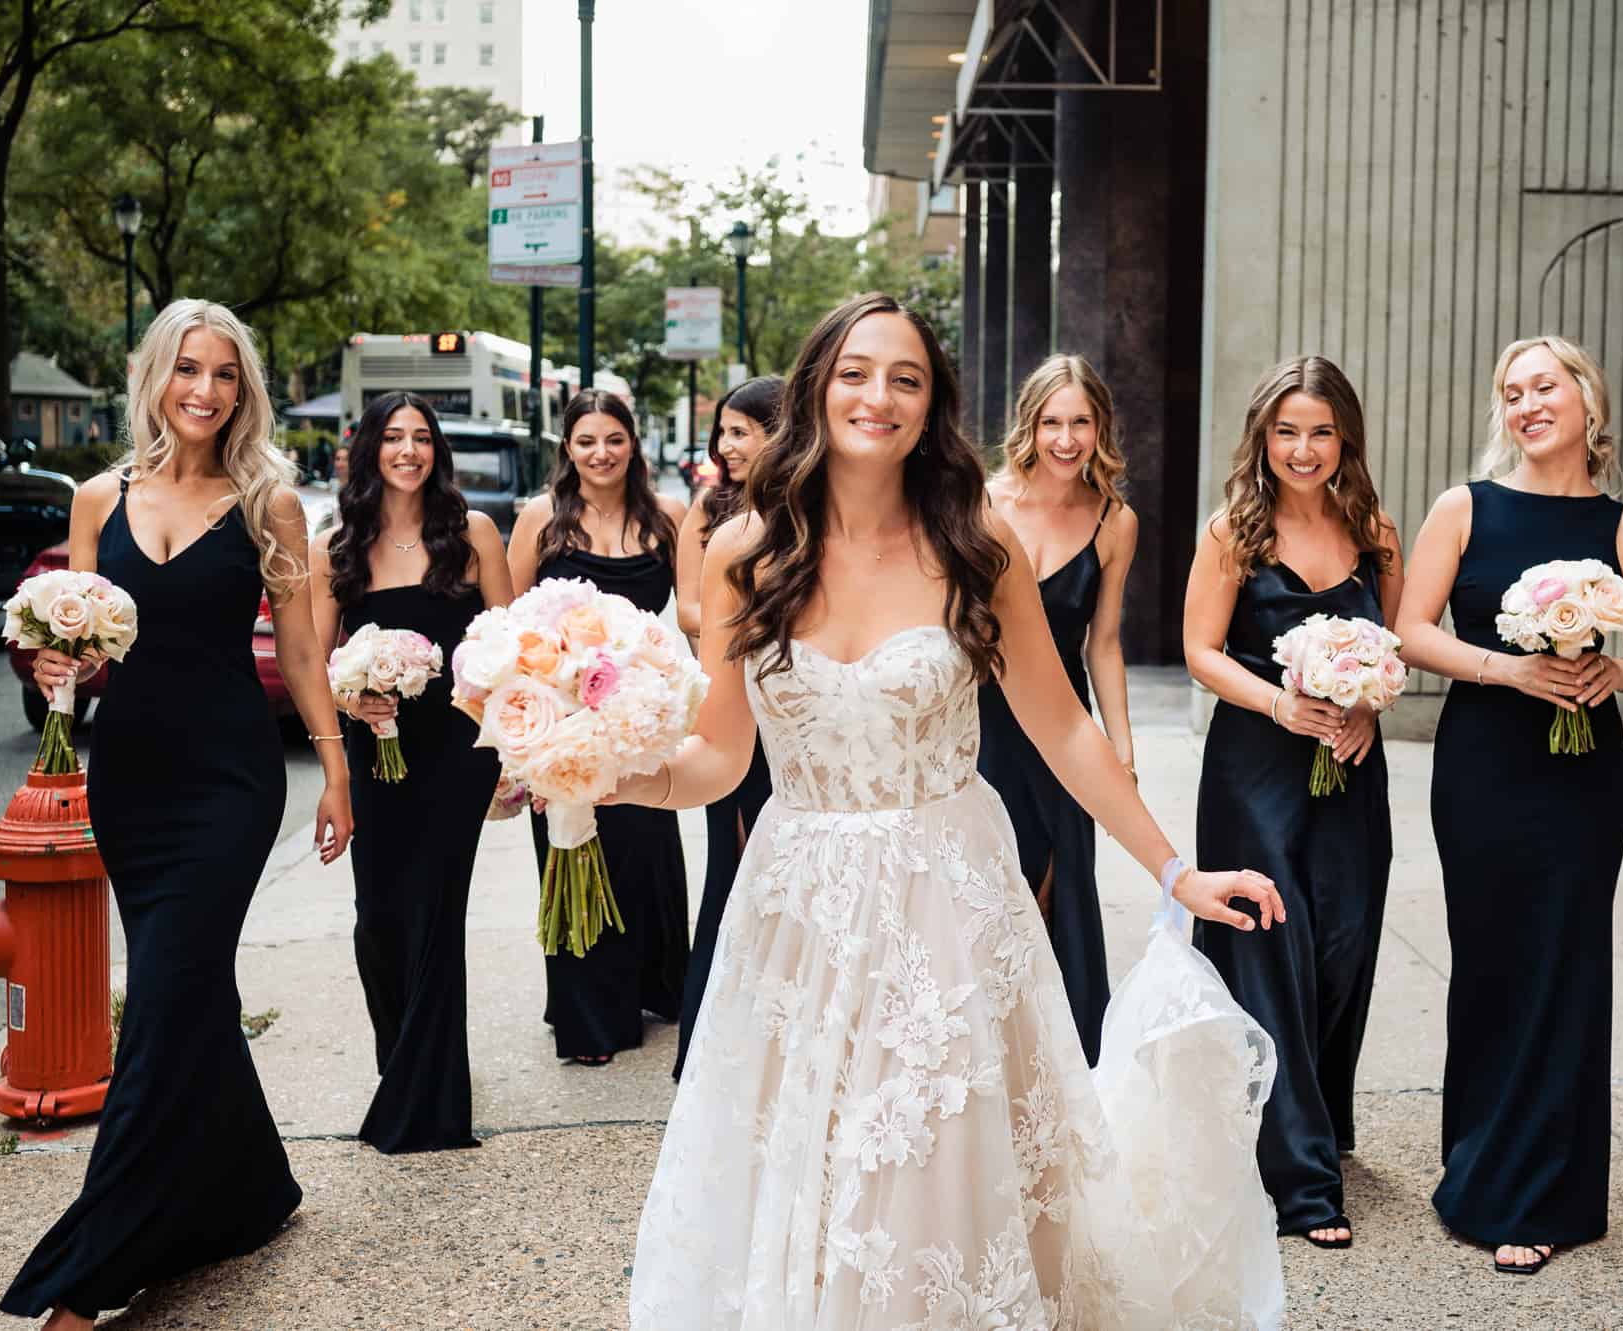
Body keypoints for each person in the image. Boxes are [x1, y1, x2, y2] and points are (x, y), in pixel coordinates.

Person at [610, 292, 1289, 1328]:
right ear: (814, 386)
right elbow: (716, 754)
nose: (874, 395)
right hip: (798, 905)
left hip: (946, 902)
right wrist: (623, 776)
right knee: (812, 1165)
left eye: (905, 378)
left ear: (932, 407)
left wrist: (1172, 868)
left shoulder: (977, 542)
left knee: (928, 1168)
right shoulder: (744, 549)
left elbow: (1064, 730)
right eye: (853, 371)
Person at [7, 300, 352, 1329]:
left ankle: (92, 1268)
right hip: (133, 777)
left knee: (163, 992)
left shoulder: (269, 503)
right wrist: (60, 668)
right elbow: (78, 646)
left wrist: (335, 770)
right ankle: (254, 1189)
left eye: (226, 374)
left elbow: (297, 653)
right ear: (155, 376)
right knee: (186, 987)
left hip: (233, 782)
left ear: (245, 389)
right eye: (187, 369)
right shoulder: (94, 497)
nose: (205, 390)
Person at [1397, 335, 1623, 1275]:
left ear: (1587, 401)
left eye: (1544, 387)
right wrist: (1507, 667)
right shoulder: (1462, 508)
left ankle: (1547, 1191)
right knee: (1490, 960)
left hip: (1584, 774)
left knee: (1566, 964)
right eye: (1511, 393)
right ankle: (1476, 1164)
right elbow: (1411, 630)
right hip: (1482, 765)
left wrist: (1614, 671)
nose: (1526, 404)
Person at [1181, 356, 1402, 1250]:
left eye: (1319, 431)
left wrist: (1368, 712)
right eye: (1286, 432)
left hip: (1349, 766)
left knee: (1343, 945)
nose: (1302, 450)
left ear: (1343, 435)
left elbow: (1393, 646)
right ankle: (1301, 1182)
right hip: (1255, 769)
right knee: (1275, 948)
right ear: (1262, 437)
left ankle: (1314, 1119)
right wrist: (1282, 700)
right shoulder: (1234, 529)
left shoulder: (1375, 529)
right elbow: (1200, 648)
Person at [308, 392, 513, 1153]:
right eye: (393, 437)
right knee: (379, 922)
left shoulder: (475, 535)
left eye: (421, 437)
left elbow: (509, 650)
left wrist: (512, 747)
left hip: (454, 758)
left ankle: (430, 1102)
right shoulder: (338, 548)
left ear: (438, 451)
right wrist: (350, 695)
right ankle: (401, 1066)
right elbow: (315, 665)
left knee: (435, 916)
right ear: (369, 450)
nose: (408, 450)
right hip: (375, 756)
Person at [506, 389, 689, 1066]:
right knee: (575, 854)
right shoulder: (540, 520)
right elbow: (507, 624)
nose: (601, 453)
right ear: (567, 448)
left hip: (636, 717)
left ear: (633, 443)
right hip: (561, 718)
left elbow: (695, 615)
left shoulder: (668, 517)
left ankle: (653, 982)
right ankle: (588, 1014)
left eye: (613, 438)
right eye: (586, 441)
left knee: (643, 854)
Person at [974, 353, 1138, 1067]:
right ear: (1029, 426)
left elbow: (1104, 641)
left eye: (1080, 422)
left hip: (1063, 729)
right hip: (978, 727)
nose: (1066, 439)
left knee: (1056, 894)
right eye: (1052, 422)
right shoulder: (982, 502)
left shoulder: (1114, 519)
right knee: (982, 896)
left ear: (1099, 427)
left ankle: (1061, 1073)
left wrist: (1121, 748)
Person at [670, 375, 782, 1080]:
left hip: (792, 715)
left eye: (743, 430)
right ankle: (707, 1044)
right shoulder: (708, 514)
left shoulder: (806, 511)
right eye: (725, 431)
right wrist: (738, 614)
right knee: (731, 871)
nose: (728, 445)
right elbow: (687, 607)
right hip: (730, 700)